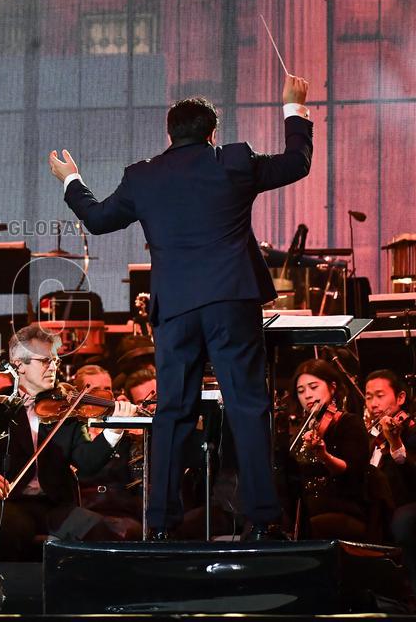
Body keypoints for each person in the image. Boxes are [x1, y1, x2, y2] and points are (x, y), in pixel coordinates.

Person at [50, 73, 313, 540]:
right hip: (232, 301)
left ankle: (162, 527)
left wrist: (72, 180)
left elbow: (97, 217)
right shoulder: (234, 161)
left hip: (176, 309)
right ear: (213, 132)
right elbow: (297, 162)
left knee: (172, 411)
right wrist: (295, 107)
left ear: (169, 135)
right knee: (248, 406)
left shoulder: (143, 176)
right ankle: (265, 520)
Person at [0, 325, 138, 560]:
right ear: (19, 365)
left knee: (98, 529)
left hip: (55, 504)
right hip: (9, 503)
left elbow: (87, 461)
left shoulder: (66, 406)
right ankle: (9, 592)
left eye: (55, 361)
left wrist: (113, 430)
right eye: (44, 361)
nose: (53, 367)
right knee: (9, 527)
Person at [291, 359, 375, 541]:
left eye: (313, 387)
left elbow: (352, 470)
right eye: (301, 391)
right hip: (309, 505)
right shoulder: (302, 429)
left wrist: (324, 455)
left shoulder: (350, 423)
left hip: (342, 506)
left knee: (306, 526)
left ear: (332, 387)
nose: (307, 395)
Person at [364, 369, 416, 582]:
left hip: (403, 504)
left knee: (403, 521)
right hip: (375, 505)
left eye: (380, 395)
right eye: (368, 397)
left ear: (400, 398)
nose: (373, 403)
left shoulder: (411, 433)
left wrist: (395, 443)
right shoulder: (370, 437)